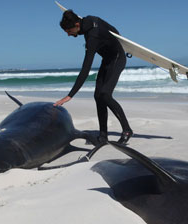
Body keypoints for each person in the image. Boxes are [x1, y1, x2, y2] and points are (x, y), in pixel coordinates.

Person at [54, 10, 133, 144]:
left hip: (117, 59)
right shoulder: (91, 19)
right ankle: (103, 135)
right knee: (98, 96)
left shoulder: (92, 38)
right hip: (107, 60)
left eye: (69, 30)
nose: (68, 34)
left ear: (77, 25)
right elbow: (113, 29)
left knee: (105, 94)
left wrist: (70, 95)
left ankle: (127, 130)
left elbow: (86, 69)